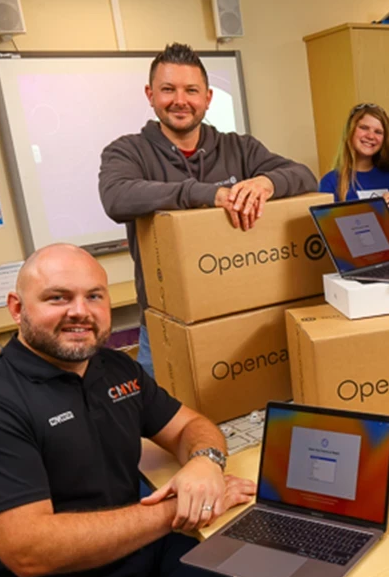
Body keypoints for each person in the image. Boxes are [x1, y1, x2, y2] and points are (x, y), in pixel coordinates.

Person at [0, 244, 310, 577]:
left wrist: (205, 463)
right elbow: (31, 552)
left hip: (140, 566)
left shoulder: (115, 370)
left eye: (94, 296)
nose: (80, 311)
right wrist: (176, 510)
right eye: (58, 297)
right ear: (17, 308)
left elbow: (189, 427)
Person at [97, 43, 316, 379]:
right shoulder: (128, 151)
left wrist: (266, 183)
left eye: (191, 90)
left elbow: (303, 175)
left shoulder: (239, 148)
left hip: (241, 322)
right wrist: (204, 194)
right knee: (164, 427)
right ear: (150, 94)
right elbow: (116, 197)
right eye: (168, 89)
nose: (180, 100)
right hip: (164, 331)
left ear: (208, 98)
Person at [318, 103, 389, 203]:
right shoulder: (331, 181)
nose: (371, 136)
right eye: (364, 128)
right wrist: (377, 209)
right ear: (350, 131)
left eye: (378, 132)